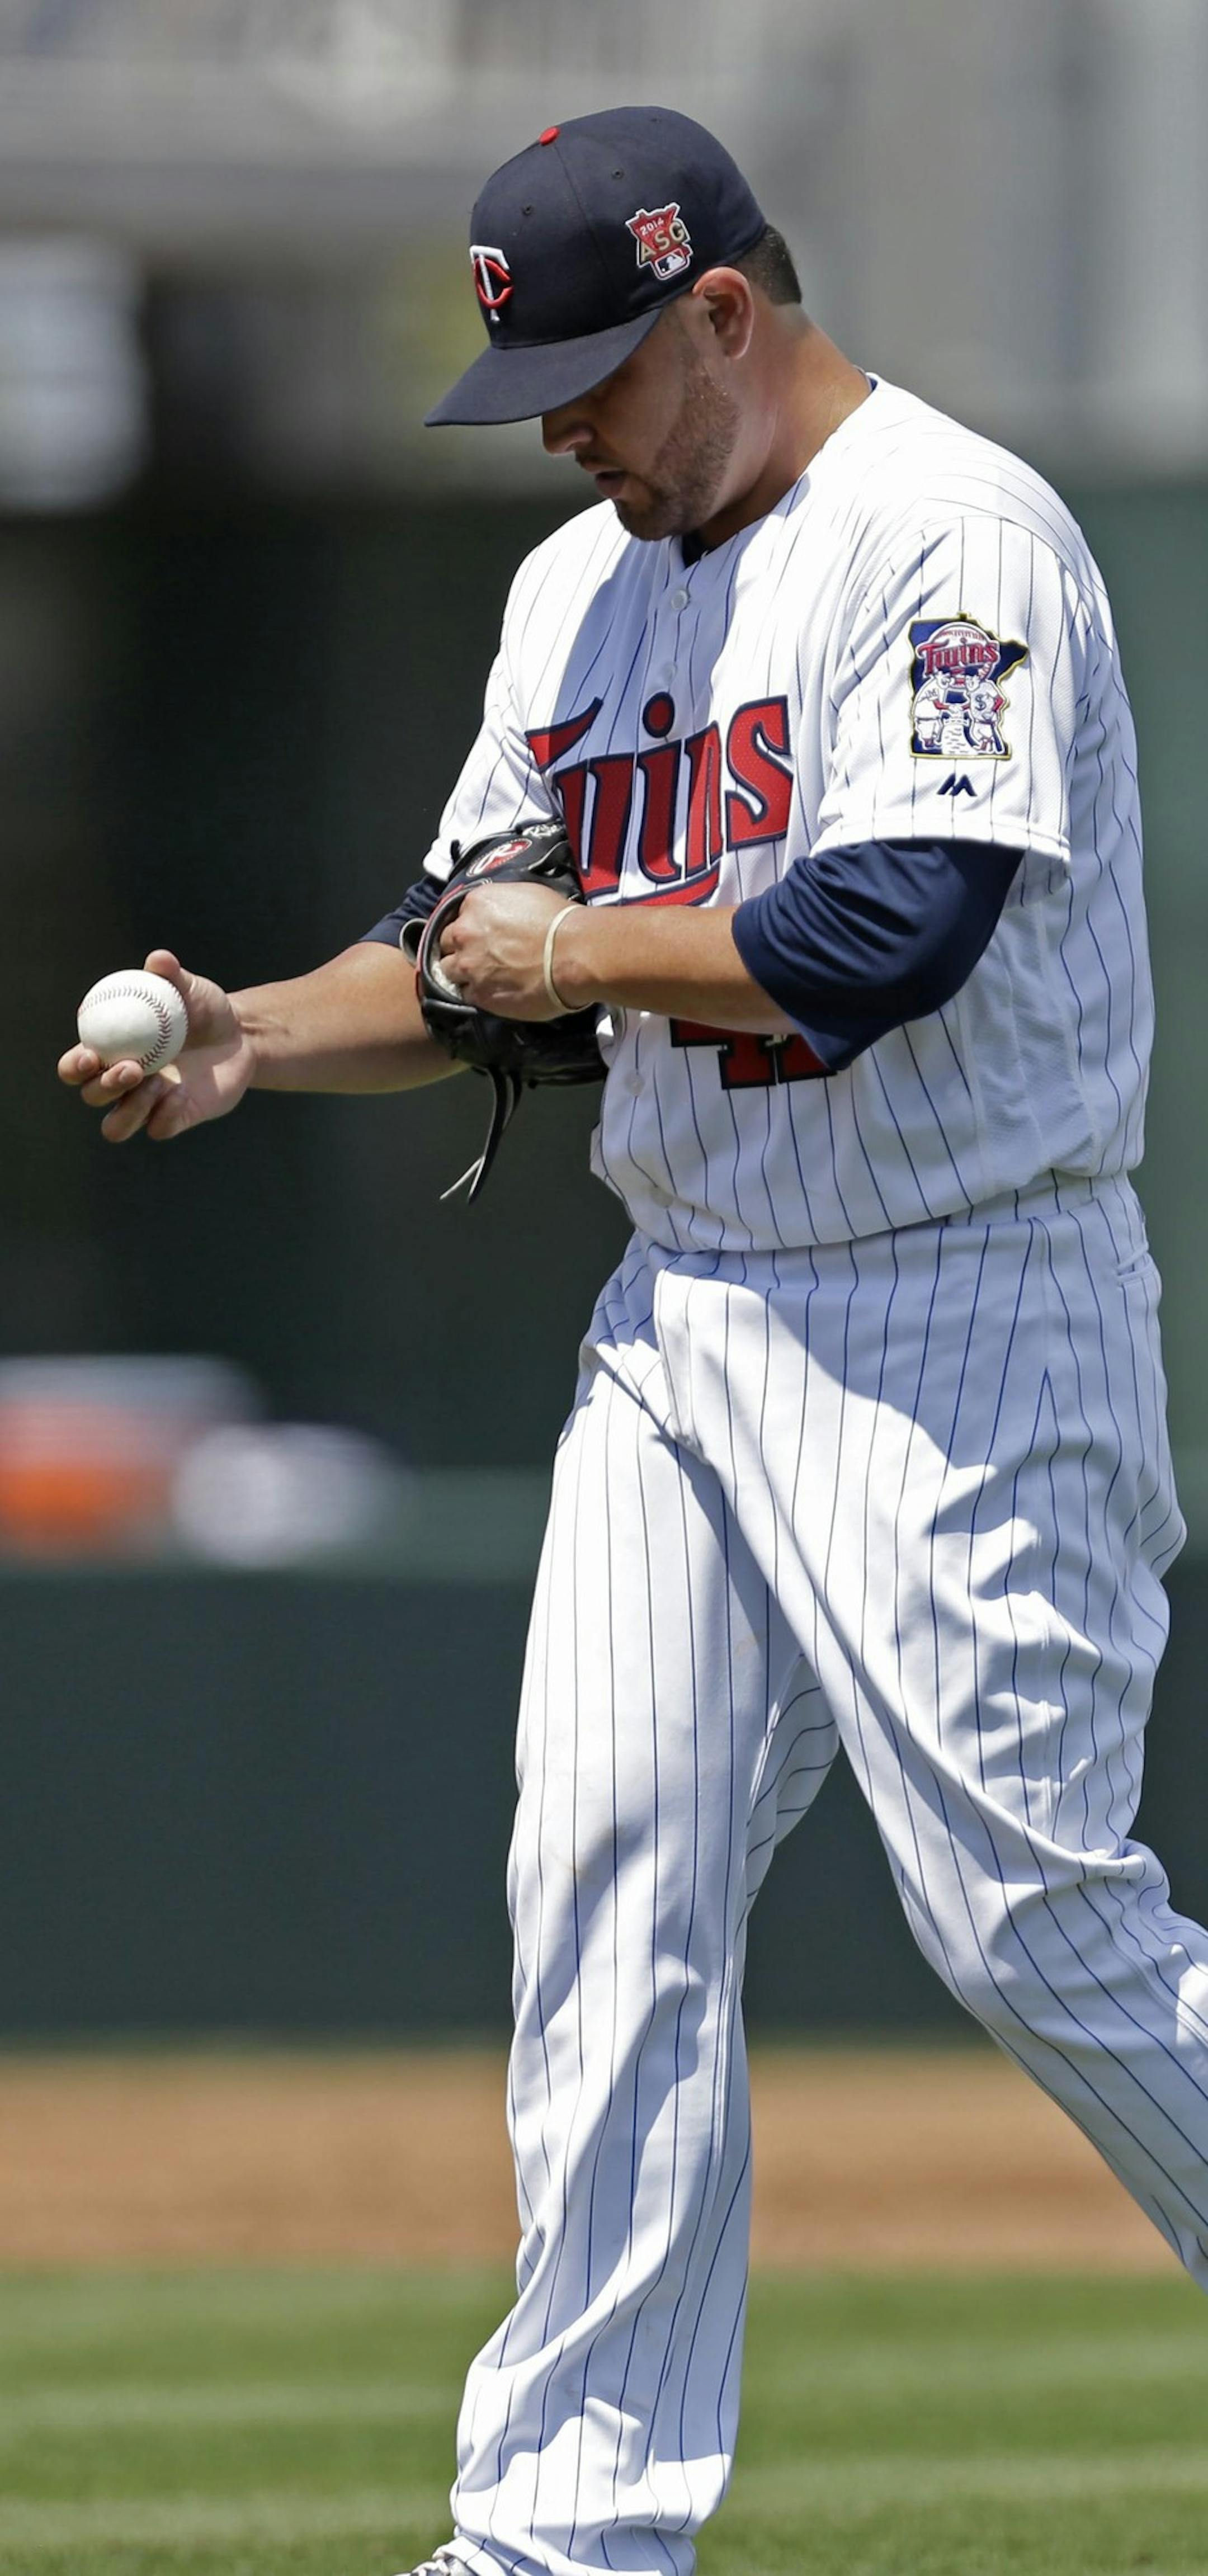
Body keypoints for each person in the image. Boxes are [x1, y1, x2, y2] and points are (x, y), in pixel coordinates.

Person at [60, 103, 1201, 2576]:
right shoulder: (581, 593)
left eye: (600, 370)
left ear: (729, 309)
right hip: (691, 1310)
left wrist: (567, 959)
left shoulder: (952, 530)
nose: (566, 426)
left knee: (1039, 1921)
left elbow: (892, 933)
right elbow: (472, 942)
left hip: (963, 1303)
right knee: (606, 1886)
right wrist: (259, 1027)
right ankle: (568, 2532)